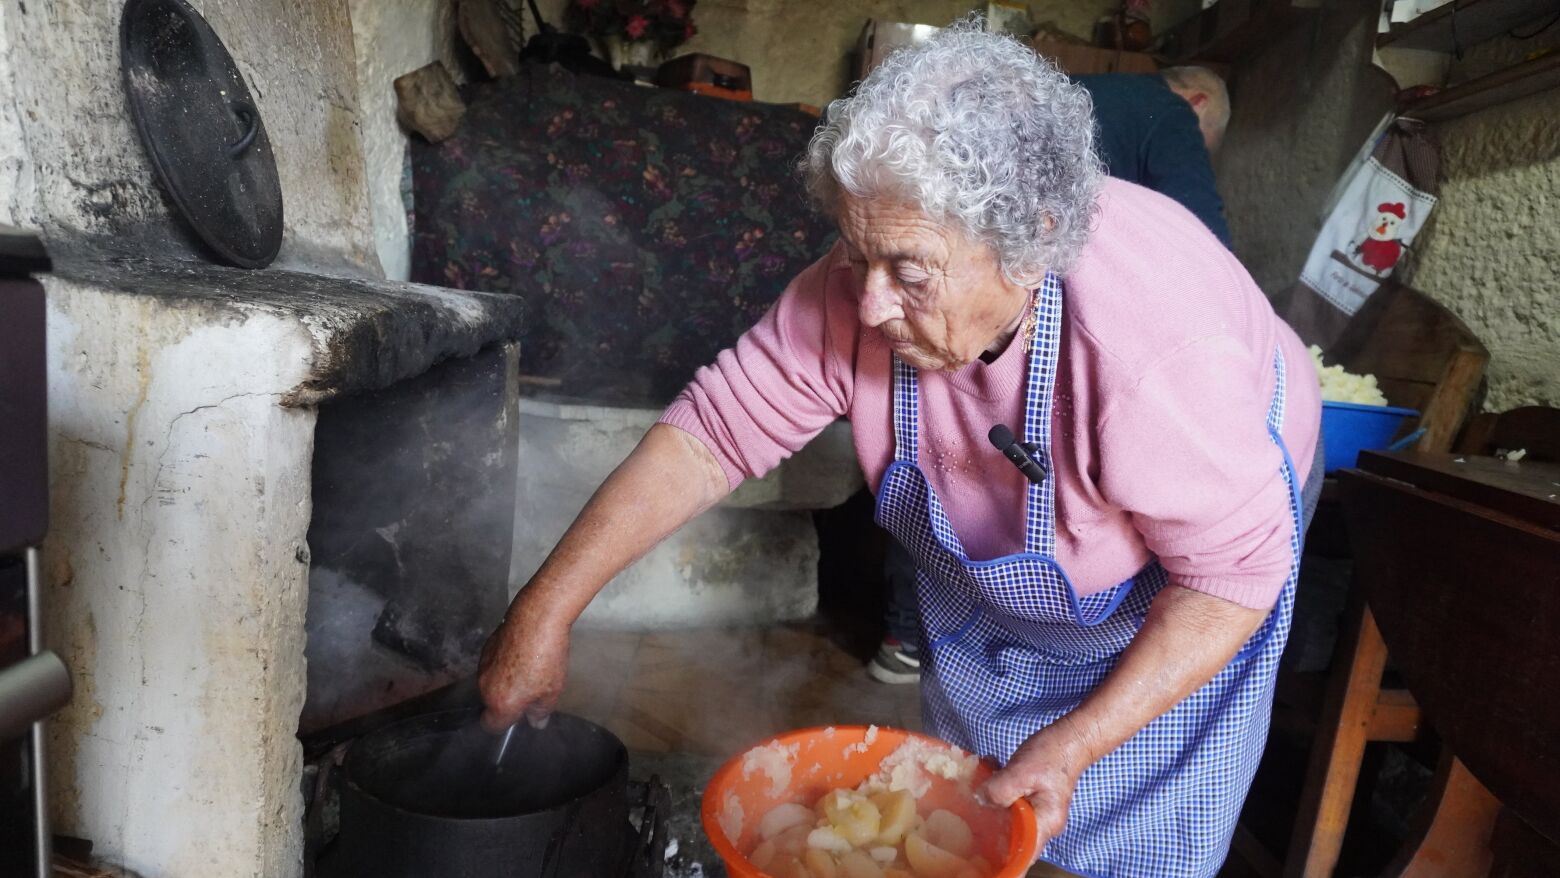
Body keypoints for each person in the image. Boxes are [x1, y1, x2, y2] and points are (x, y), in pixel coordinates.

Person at [479, 22, 1321, 876]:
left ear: (1028, 246)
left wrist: (1077, 742)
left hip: (1214, 548)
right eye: (855, 254)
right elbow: (713, 435)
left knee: (1128, 806)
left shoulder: (1157, 359)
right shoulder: (869, 277)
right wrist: (544, 612)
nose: (872, 306)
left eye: (910, 272)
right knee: (981, 793)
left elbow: (1226, 580)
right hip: (1073, 516)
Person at [870, 62, 1238, 686]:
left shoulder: (1059, 91)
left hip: (977, 302)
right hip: (1026, 321)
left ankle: (903, 636)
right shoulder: (1167, 113)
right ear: (1197, 101)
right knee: (972, 475)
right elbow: (1206, 242)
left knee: (946, 460)